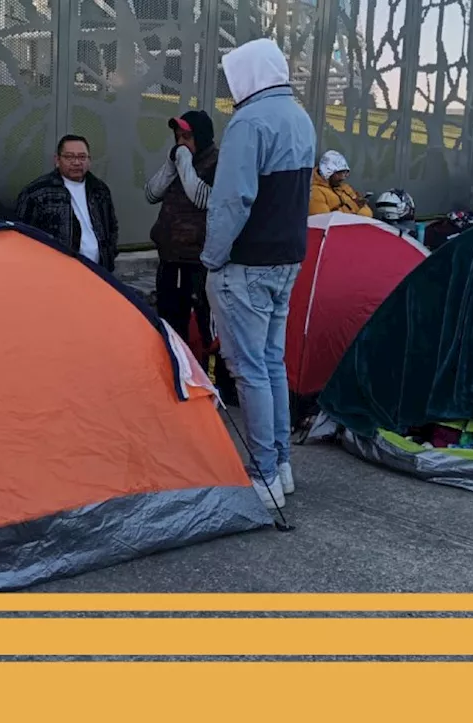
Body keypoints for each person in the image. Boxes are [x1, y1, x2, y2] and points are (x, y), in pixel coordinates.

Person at [201, 38, 316, 511]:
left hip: (245, 264)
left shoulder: (248, 123)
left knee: (248, 371)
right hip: (286, 260)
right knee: (271, 366)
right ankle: (281, 468)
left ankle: (264, 475)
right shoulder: (300, 117)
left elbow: (232, 201)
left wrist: (211, 258)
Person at [144, 111, 229, 382]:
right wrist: (173, 164)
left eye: (188, 136)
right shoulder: (181, 161)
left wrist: (183, 162)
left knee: (207, 326)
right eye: (178, 137)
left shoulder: (218, 163)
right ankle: (175, 375)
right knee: (170, 320)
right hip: (170, 257)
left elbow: (203, 198)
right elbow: (151, 193)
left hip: (199, 261)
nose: (182, 143)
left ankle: (212, 380)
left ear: (201, 136)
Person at [15, 135, 119, 272]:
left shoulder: (99, 190)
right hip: (57, 271)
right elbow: (23, 236)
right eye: (69, 157)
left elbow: (111, 227)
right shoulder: (37, 192)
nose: (76, 162)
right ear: (57, 160)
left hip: (98, 270)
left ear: (89, 161)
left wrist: (109, 254)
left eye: (82, 157)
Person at [308, 150, 371, 216]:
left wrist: (359, 204)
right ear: (326, 172)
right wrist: (353, 206)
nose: (342, 178)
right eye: (338, 173)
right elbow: (322, 220)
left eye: (344, 172)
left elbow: (368, 213)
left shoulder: (345, 188)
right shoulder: (315, 192)